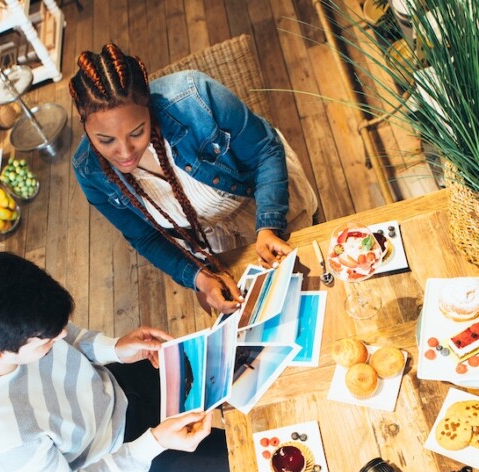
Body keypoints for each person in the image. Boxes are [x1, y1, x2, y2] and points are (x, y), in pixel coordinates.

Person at [0, 251, 232, 472]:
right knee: (245, 467)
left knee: (230, 364)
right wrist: (154, 443)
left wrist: (115, 348)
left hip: (111, 385)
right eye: (47, 344)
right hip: (116, 455)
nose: (63, 336)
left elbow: (62, 332)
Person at [69, 42, 318, 315]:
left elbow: (264, 152)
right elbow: (146, 238)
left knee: (315, 279)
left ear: (148, 108)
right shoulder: (89, 171)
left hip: (265, 197)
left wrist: (269, 224)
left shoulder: (196, 95)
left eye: (137, 132)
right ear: (84, 123)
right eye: (106, 140)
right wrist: (199, 278)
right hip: (216, 246)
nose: (125, 152)